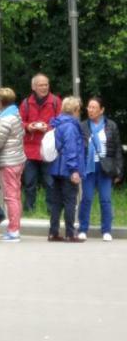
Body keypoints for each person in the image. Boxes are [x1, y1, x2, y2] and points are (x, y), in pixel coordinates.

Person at [79, 96, 121, 241]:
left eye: (94, 108)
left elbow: (117, 150)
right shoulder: (83, 126)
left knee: (105, 199)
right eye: (89, 107)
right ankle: (83, 229)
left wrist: (118, 171)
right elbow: (79, 149)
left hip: (105, 167)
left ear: (101, 110)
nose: (90, 110)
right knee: (87, 198)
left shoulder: (111, 126)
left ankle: (106, 230)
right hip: (89, 167)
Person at [20, 73, 62, 215]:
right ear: (33, 87)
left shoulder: (55, 101)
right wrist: (28, 126)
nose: (44, 87)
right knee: (29, 182)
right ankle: (29, 210)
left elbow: (61, 122)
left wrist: (48, 127)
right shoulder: (26, 103)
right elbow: (19, 122)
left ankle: (52, 210)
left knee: (50, 182)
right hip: (30, 149)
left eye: (46, 85)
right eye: (41, 85)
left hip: (48, 148)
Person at [47, 96, 84, 242]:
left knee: (56, 202)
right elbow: (71, 149)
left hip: (55, 167)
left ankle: (53, 232)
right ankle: (70, 233)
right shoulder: (71, 126)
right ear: (75, 110)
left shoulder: (58, 123)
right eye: (78, 109)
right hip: (67, 169)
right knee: (70, 201)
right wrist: (74, 170)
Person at [0, 87, 25, 242]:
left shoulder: (5, 119)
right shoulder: (16, 114)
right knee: (16, 195)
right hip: (18, 159)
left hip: (8, 161)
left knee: (10, 196)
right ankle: (16, 226)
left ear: (0, 102)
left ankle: (13, 230)